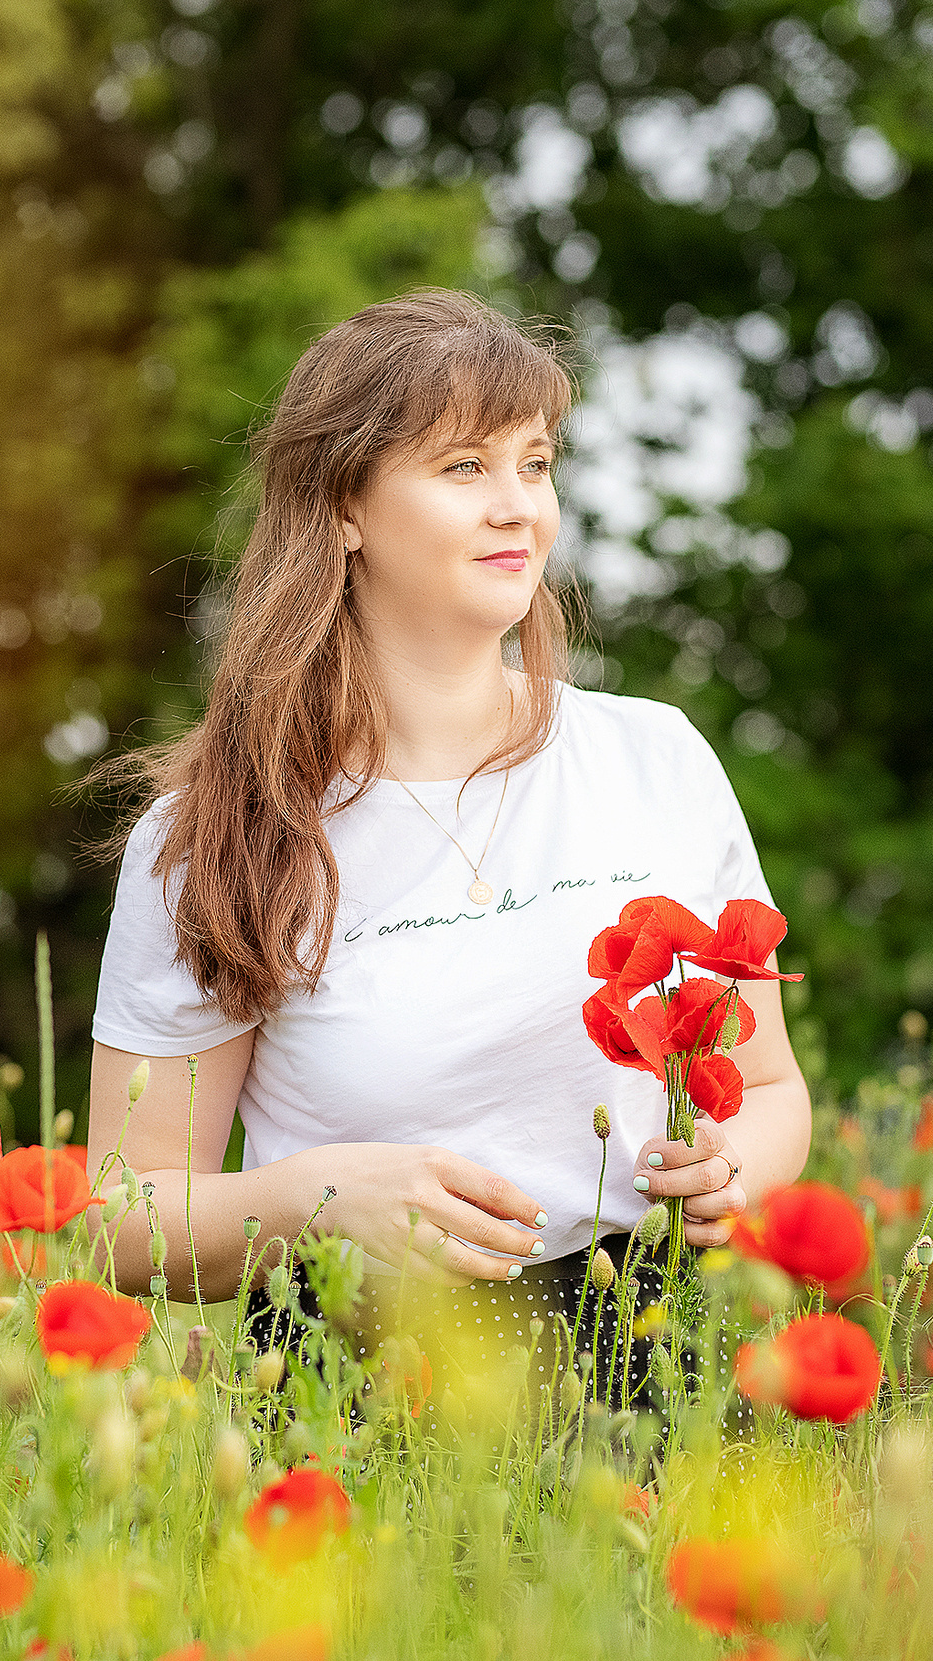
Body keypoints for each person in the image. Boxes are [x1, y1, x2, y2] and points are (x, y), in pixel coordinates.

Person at [83, 288, 811, 1392]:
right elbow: (119, 1223)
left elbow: (766, 1089)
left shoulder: (654, 760)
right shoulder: (213, 836)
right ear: (342, 511)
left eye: (536, 462)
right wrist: (317, 1200)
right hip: (361, 1390)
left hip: (654, 1362)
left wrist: (732, 1176)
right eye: (465, 468)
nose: (518, 506)